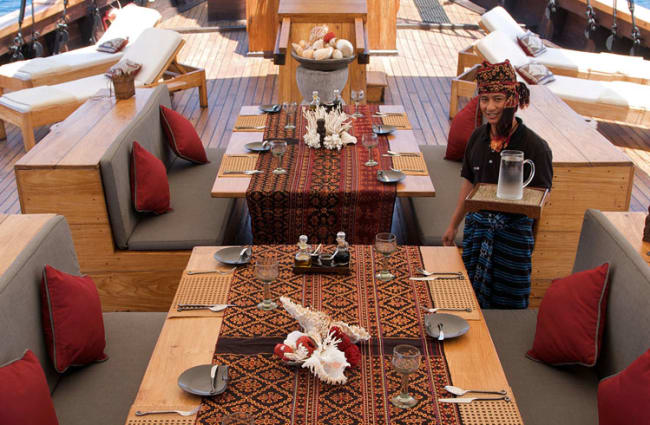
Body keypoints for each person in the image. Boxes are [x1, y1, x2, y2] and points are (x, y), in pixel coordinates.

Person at [442, 60, 553, 309]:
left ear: (512, 100)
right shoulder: (477, 138)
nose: (490, 107)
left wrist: (527, 248)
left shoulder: (536, 147)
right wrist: (453, 226)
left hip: (513, 240)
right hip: (476, 232)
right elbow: (469, 185)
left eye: (497, 99)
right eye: (484, 100)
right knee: (469, 303)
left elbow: (539, 206)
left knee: (509, 309)